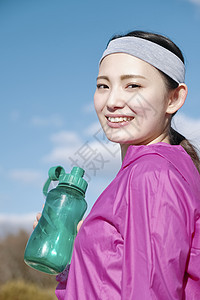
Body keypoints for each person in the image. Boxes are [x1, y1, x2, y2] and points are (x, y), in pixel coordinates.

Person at [34, 30, 200, 299]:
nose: (112, 101)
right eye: (103, 86)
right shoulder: (157, 170)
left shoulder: (152, 175)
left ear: (174, 98)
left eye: (132, 85)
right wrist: (73, 255)